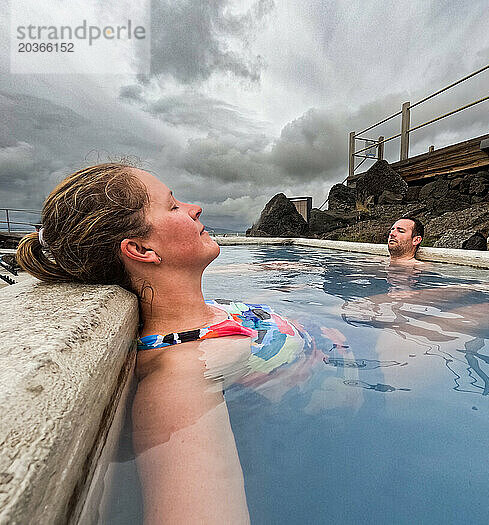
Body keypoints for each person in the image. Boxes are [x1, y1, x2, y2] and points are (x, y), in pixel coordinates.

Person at [15, 163, 307, 524]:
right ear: (140, 249)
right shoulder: (180, 380)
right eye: (172, 206)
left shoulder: (200, 320)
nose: (194, 207)